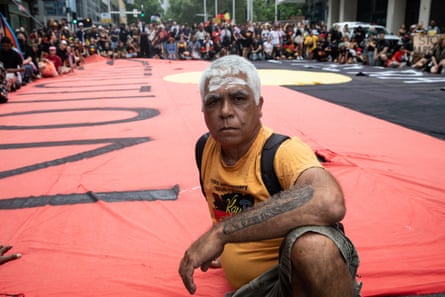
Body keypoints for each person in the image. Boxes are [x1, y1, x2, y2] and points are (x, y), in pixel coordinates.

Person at [178, 55, 360, 297]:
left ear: (259, 106)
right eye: (213, 101)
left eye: (238, 99)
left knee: (314, 246)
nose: (225, 111)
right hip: (250, 290)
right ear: (203, 110)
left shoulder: (282, 152)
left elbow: (329, 201)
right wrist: (231, 251)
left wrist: (221, 234)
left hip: (291, 284)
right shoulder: (205, 148)